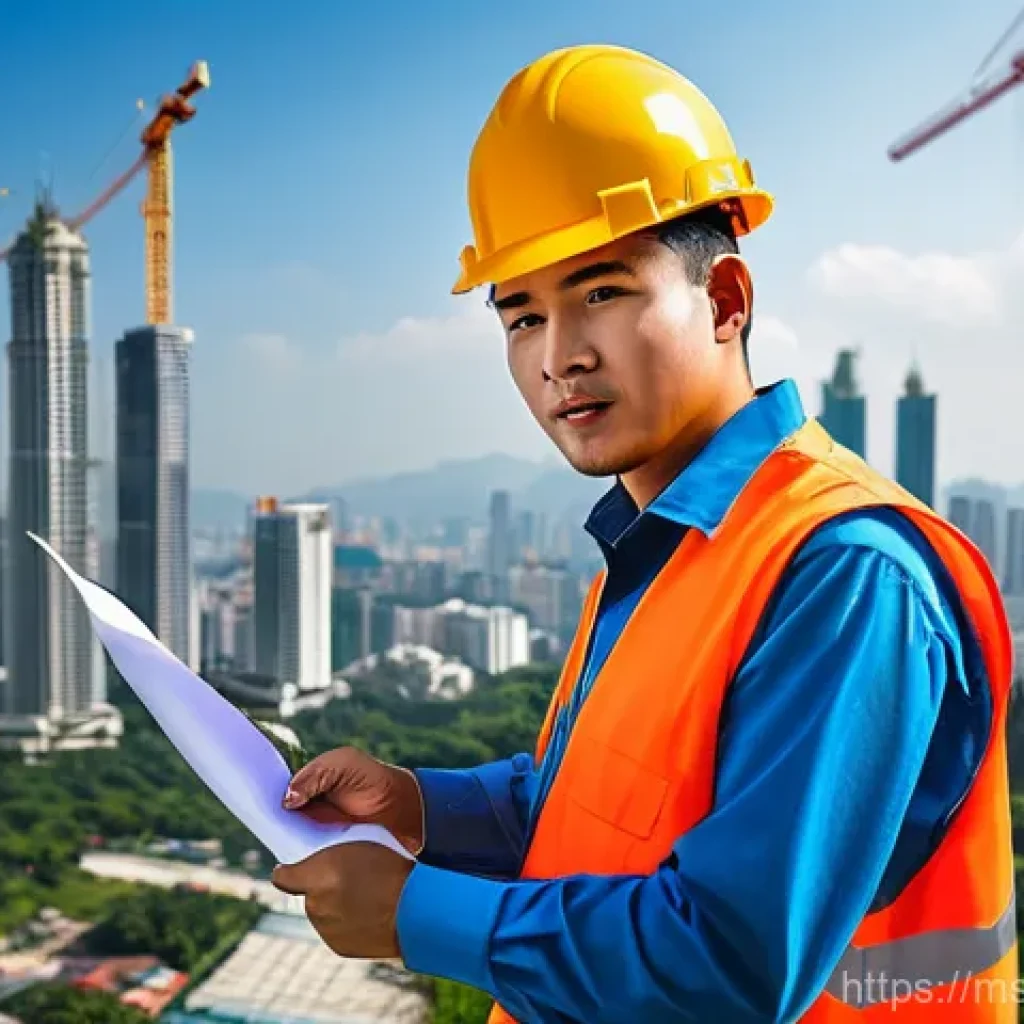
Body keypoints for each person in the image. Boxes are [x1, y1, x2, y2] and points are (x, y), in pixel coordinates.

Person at [271, 44, 1017, 1022]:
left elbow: (732, 959)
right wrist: (418, 806)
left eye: (601, 292)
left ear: (725, 302)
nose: (558, 356)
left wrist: (420, 914)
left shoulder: (844, 575)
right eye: (521, 316)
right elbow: (594, 806)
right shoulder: (663, 547)